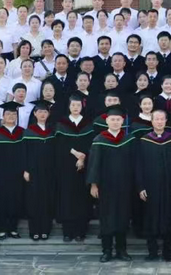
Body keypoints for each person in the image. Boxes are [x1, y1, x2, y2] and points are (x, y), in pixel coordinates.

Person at [88, 105, 136, 262]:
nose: (115, 122)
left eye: (118, 120)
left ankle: (122, 250)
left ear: (122, 121)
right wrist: (94, 185)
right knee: (106, 218)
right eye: (112, 119)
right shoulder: (100, 140)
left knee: (123, 218)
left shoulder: (129, 140)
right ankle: (107, 250)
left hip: (124, 186)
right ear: (107, 121)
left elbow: (135, 164)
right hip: (105, 187)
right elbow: (94, 164)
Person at [137, 109, 171, 261]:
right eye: (157, 119)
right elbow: (139, 165)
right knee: (151, 217)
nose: (160, 121)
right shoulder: (144, 140)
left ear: (166, 121)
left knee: (168, 217)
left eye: (162, 119)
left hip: (169, 185)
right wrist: (141, 187)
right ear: (152, 121)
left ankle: (167, 251)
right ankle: (152, 252)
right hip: (150, 186)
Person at [54, 94, 94, 242]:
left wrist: (83, 158)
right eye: (73, 105)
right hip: (66, 166)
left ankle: (80, 231)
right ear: (69, 107)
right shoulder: (61, 124)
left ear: (82, 107)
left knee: (82, 197)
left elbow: (91, 143)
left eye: (78, 105)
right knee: (67, 197)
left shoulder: (88, 124)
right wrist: (75, 153)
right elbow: (59, 144)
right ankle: (68, 231)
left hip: (84, 166)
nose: (76, 108)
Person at [0, 101, 26, 240]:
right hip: (0, 174)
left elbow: (26, 154)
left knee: (15, 200)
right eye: (8, 114)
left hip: (17, 173)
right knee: (1, 200)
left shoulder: (21, 132)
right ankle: (2, 229)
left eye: (14, 114)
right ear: (3, 116)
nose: (11, 116)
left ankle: (13, 229)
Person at [22, 99, 56, 241]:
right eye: (40, 111)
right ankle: (34, 230)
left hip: (49, 171)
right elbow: (24, 152)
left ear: (48, 114)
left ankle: (45, 230)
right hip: (33, 171)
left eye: (45, 111)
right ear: (35, 114)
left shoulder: (52, 131)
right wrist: (26, 170)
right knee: (34, 200)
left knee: (47, 200)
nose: (42, 114)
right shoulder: (29, 132)